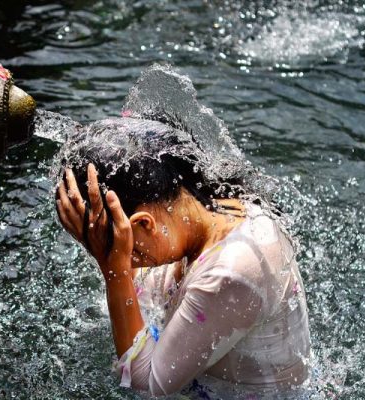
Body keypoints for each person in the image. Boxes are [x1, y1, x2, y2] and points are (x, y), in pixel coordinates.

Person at [55, 116, 310, 397]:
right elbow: (145, 297)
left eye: (127, 250)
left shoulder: (232, 272)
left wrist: (113, 268)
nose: (127, 260)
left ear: (143, 224)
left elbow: (147, 386)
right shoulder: (206, 207)